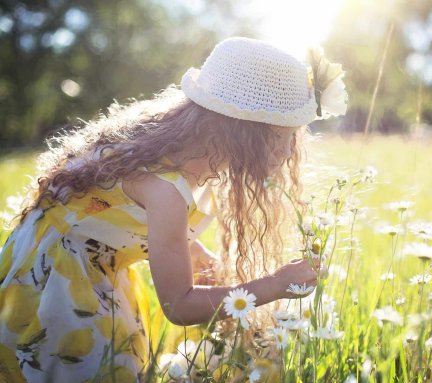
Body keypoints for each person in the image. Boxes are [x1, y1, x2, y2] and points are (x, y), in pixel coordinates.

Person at [0, 37, 326, 382]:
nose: (290, 152)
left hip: (84, 262)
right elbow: (178, 306)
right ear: (242, 132)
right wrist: (275, 285)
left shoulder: (171, 146)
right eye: (281, 137)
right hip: (59, 285)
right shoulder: (165, 189)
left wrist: (190, 248)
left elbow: (111, 214)